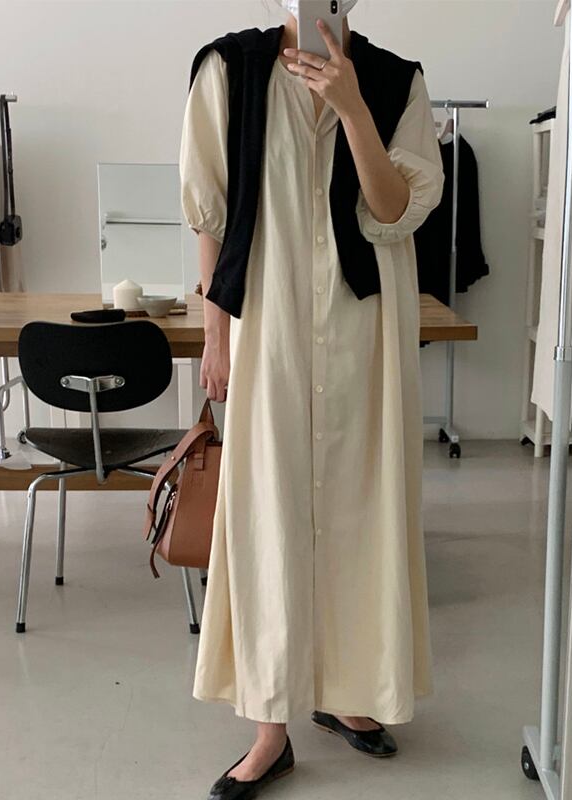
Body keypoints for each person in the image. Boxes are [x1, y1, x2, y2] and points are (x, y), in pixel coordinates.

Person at [179, 2, 443, 797]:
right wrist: (215, 337)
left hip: (365, 329)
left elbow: (393, 212)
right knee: (270, 512)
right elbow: (210, 212)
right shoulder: (229, 70)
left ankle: (350, 692)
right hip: (269, 325)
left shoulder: (396, 81)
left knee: (363, 509)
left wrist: (354, 108)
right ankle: (271, 728)